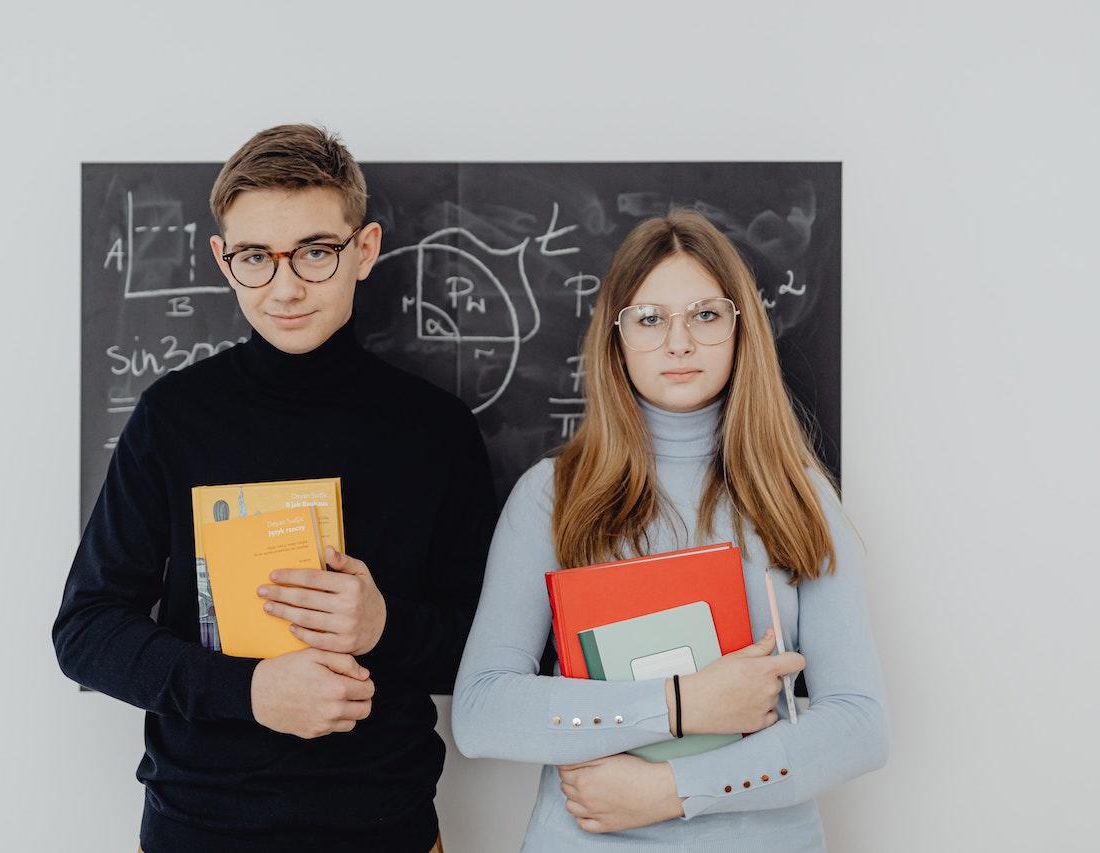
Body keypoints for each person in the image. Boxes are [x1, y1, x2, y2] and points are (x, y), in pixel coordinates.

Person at [54, 124, 497, 853]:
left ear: (365, 249)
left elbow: (489, 654)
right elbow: (86, 630)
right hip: (198, 829)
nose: (285, 287)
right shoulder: (174, 417)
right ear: (222, 260)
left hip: (386, 830)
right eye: (256, 257)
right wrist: (250, 692)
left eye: (315, 252)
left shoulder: (436, 430)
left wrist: (382, 624)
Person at [451, 209, 888, 851]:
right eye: (650, 319)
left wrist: (674, 791)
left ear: (741, 330)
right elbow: (481, 714)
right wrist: (681, 705)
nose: (678, 343)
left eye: (705, 315)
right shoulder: (552, 495)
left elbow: (859, 724)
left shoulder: (798, 491)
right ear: (616, 337)